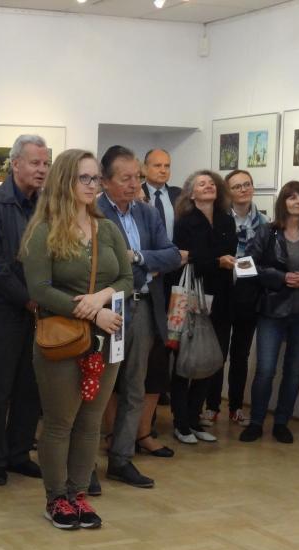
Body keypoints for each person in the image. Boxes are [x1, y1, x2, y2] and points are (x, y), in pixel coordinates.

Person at [22, 149, 131, 530]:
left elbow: (127, 279)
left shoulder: (108, 229)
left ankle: (78, 494)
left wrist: (102, 298)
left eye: (95, 178)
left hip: (107, 337)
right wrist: (91, 311)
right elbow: (39, 289)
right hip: (62, 339)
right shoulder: (44, 230)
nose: (92, 185)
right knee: (60, 422)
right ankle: (57, 498)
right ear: (65, 181)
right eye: (84, 178)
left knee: (91, 421)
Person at [96, 146, 182, 489]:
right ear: (105, 181)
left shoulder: (146, 213)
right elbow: (106, 269)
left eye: (137, 177)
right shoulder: (95, 214)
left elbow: (172, 255)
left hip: (144, 307)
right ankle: (84, 466)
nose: (134, 184)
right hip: (108, 310)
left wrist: (138, 257)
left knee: (135, 386)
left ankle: (121, 459)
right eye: (125, 178)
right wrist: (144, 265)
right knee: (98, 388)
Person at [0, 134, 50, 486]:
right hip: (4, 309)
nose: (42, 169)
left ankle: (19, 453)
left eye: (46, 163)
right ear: (15, 164)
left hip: (38, 308)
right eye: (35, 163)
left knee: (30, 385)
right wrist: (29, 298)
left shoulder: (46, 205)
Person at [240, 181, 299, 443]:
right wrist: (281, 277)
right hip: (271, 311)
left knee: (294, 371)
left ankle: (282, 422)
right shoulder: (267, 232)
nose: (298, 201)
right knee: (266, 369)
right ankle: (256, 422)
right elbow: (247, 265)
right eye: (292, 197)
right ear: (283, 202)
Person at [170, 170, 238, 444]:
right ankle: (180, 422)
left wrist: (213, 260)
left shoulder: (226, 219)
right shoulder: (185, 221)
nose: (208, 186)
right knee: (186, 359)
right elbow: (185, 257)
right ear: (191, 192)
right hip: (192, 297)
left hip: (221, 297)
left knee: (211, 359)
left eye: (211, 183)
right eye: (201, 183)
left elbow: (228, 252)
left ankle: (195, 418)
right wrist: (215, 261)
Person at [203, 169, 270, 427]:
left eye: (247, 184)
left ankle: (236, 407)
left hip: (249, 294)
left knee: (241, 355)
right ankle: (212, 406)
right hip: (222, 292)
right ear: (227, 192)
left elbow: (265, 259)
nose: (243, 190)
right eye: (237, 186)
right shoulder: (219, 219)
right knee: (218, 353)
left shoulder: (264, 222)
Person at [140, 148, 181, 239]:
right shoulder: (137, 194)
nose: (163, 171)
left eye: (167, 166)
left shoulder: (180, 195)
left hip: (175, 247)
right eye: (158, 166)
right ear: (145, 169)